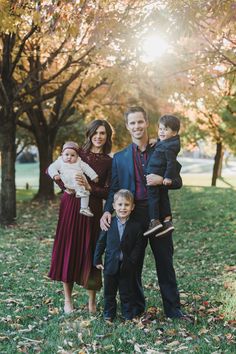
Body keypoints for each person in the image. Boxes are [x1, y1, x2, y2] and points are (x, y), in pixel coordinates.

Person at [100, 106, 190, 321]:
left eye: (140, 122)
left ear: (146, 123)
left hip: (157, 216)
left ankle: (173, 310)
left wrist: (162, 180)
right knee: (131, 264)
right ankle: (135, 309)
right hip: (131, 216)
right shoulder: (119, 158)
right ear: (127, 126)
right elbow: (114, 188)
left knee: (165, 263)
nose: (137, 126)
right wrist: (106, 211)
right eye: (132, 123)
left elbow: (177, 180)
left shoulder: (161, 149)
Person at [48, 120, 113, 314]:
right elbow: (53, 170)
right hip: (70, 205)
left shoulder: (109, 162)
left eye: (103, 133)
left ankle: (91, 301)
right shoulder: (78, 153)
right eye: (95, 132)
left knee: (91, 250)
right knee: (69, 247)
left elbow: (108, 191)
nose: (99, 137)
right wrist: (65, 187)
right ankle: (68, 300)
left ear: (107, 136)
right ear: (89, 134)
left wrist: (89, 187)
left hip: (92, 208)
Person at [94, 189, 143, 322]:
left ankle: (128, 314)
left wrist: (132, 261)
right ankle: (109, 314)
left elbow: (139, 246)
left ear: (132, 207)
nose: (123, 208)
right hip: (110, 265)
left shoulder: (136, 226)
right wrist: (97, 258)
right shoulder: (108, 223)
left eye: (126, 205)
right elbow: (101, 241)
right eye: (120, 204)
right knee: (109, 292)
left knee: (126, 292)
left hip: (127, 265)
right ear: (114, 206)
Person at [144, 115, 181, 237]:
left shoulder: (170, 147)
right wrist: (158, 140)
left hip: (157, 174)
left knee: (153, 198)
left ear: (174, 133)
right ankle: (167, 220)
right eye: (160, 129)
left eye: (165, 129)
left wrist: (166, 178)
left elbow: (171, 163)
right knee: (163, 197)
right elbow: (162, 145)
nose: (161, 132)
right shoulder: (165, 143)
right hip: (159, 173)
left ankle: (154, 220)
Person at [48, 141, 99, 217]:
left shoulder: (79, 162)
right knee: (77, 178)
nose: (69, 157)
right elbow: (51, 168)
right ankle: (79, 192)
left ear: (77, 156)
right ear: (62, 154)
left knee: (86, 192)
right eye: (67, 154)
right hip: (67, 181)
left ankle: (84, 208)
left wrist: (94, 176)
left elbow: (87, 168)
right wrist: (55, 174)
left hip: (80, 183)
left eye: (72, 155)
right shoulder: (60, 161)